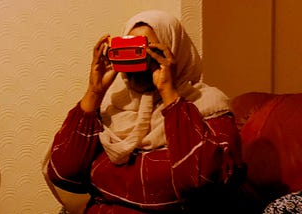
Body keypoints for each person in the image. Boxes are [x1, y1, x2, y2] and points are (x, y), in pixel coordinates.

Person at [43, 10, 245, 214]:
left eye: (149, 50)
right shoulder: (112, 107)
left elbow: (203, 182)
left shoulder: (207, 105)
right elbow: (63, 173)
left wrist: (169, 92)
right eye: (130, 48)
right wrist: (95, 91)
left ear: (175, 50)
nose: (138, 60)